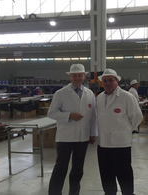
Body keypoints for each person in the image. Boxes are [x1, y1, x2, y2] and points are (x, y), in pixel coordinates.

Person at [47, 63, 97, 195]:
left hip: (83, 137)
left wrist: (92, 134)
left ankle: (74, 192)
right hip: (65, 137)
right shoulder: (61, 93)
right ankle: (54, 192)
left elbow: (93, 116)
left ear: (84, 76)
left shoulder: (89, 93)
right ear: (70, 76)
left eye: (80, 75)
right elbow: (51, 113)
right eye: (74, 75)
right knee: (61, 167)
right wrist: (69, 116)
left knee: (78, 169)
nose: (77, 78)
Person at [96, 68, 143, 195]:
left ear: (117, 81)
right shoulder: (100, 97)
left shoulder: (126, 97)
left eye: (111, 80)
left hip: (121, 144)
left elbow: (138, 117)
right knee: (106, 174)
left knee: (124, 174)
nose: (107, 83)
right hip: (103, 144)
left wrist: (125, 131)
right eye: (105, 81)